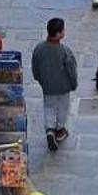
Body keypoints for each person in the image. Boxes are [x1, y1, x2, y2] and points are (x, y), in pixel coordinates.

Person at [31, 16, 79, 150]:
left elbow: (35, 68)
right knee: (63, 107)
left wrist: (39, 79)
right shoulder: (65, 51)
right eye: (63, 30)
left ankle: (50, 129)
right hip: (63, 86)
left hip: (47, 86)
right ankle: (59, 129)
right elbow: (71, 70)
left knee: (49, 107)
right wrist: (73, 83)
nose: (64, 32)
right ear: (58, 34)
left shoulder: (39, 49)